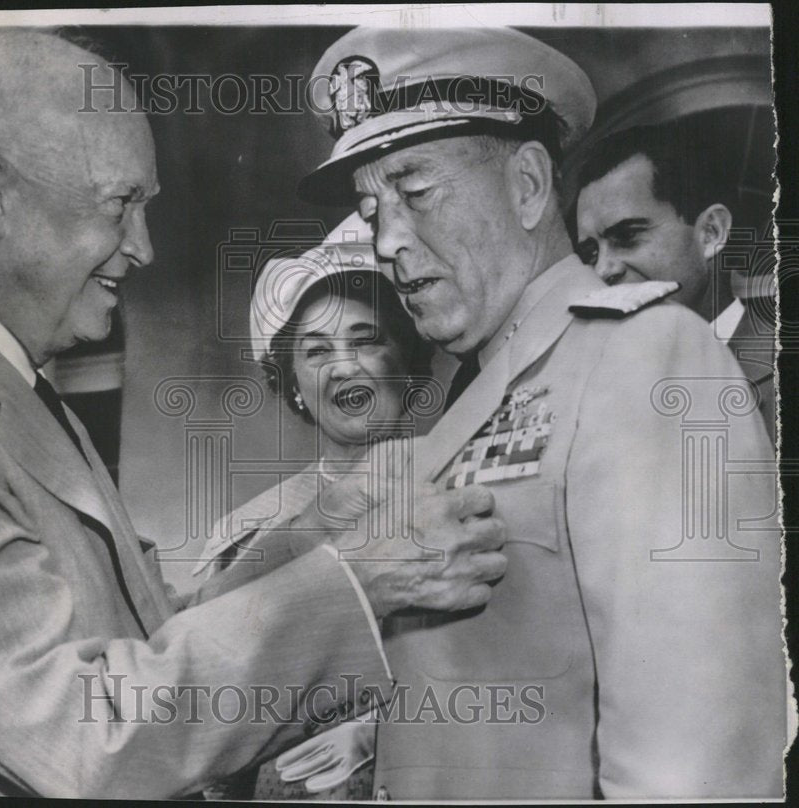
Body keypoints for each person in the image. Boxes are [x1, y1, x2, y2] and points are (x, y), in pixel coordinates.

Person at [0, 29, 511, 798]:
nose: (144, 246)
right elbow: (82, 736)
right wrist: (360, 580)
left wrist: (318, 520)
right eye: (121, 204)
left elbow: (145, 635)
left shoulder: (3, 388)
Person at [224, 26, 784, 799]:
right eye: (370, 206)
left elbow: (693, 769)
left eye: (415, 192)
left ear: (526, 185)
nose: (386, 240)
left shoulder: (648, 359)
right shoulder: (480, 394)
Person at [194, 214, 434, 799]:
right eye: (316, 350)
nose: (344, 366)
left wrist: (383, 731)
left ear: (407, 355)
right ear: (294, 382)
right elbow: (202, 710)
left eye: (366, 339)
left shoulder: (462, 481)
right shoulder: (246, 534)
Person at [574, 120, 776, 437]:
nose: (603, 270)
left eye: (627, 236)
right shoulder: (595, 390)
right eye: (590, 253)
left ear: (711, 232)